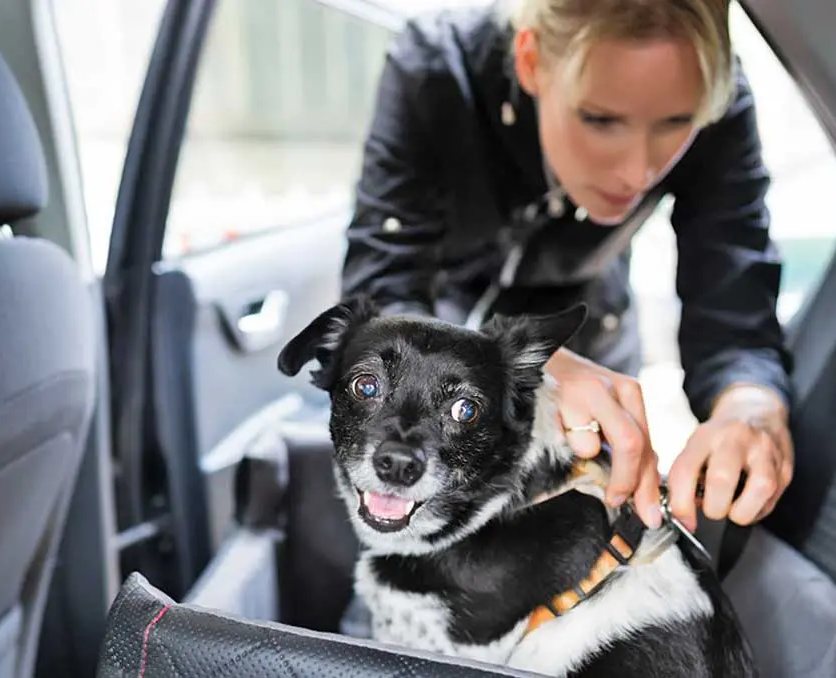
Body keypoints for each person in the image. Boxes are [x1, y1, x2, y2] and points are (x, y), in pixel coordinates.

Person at [340, 0, 794, 534]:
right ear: (530, 61)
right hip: (436, 332)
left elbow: (733, 305)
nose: (638, 171)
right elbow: (382, 284)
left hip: (588, 318)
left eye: (678, 123)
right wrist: (513, 369)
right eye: (600, 119)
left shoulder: (720, 103)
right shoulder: (435, 70)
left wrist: (751, 408)